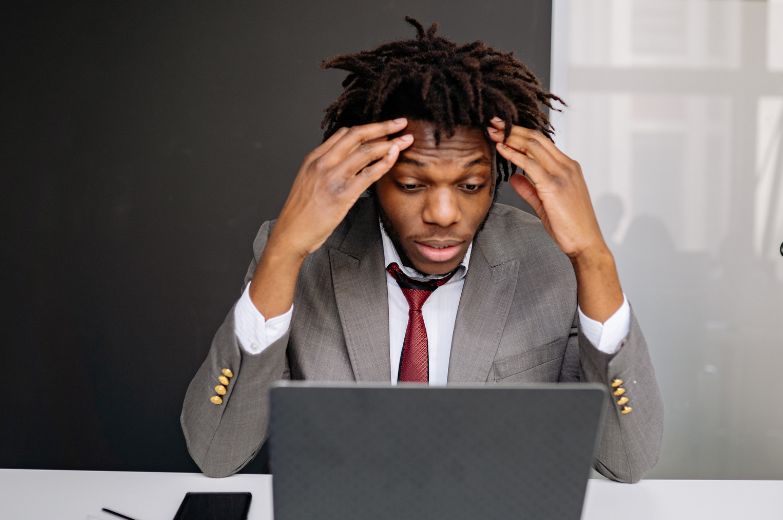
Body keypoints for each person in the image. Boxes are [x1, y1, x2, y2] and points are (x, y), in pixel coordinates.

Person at [181, 17, 663, 482]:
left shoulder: (549, 259)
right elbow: (217, 451)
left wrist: (593, 258)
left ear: (495, 177)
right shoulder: (302, 255)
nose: (443, 214)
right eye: (412, 184)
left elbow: (627, 460)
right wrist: (284, 253)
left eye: (471, 185)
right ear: (373, 175)